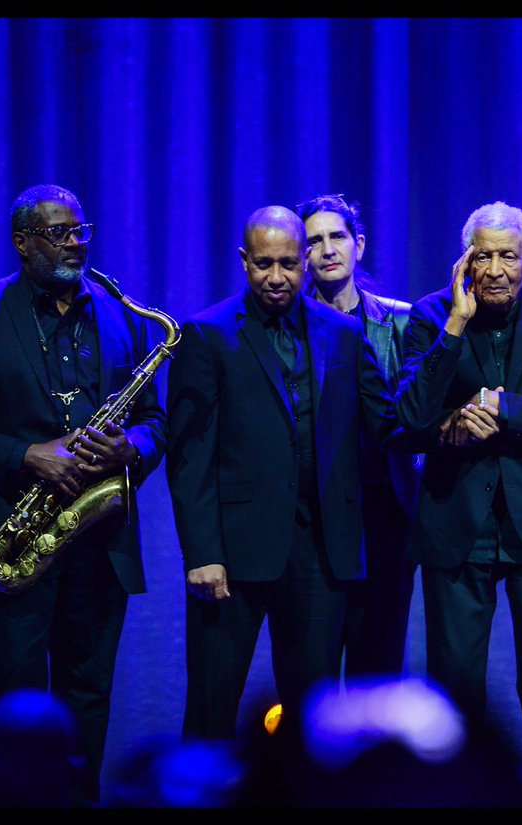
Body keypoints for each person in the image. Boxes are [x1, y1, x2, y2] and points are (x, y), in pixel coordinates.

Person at [0, 184, 166, 804]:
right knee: (14, 698)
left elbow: (156, 420)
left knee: (88, 696)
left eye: (81, 230)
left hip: (101, 537)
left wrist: (131, 449)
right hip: (20, 534)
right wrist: (28, 455)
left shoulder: (121, 312)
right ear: (22, 242)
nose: (75, 244)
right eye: (60, 233)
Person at [167, 205, 397, 740]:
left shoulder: (342, 333)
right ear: (244, 260)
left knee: (313, 720)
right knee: (211, 709)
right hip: (233, 556)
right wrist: (203, 554)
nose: (277, 278)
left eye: (289, 265)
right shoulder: (207, 334)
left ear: (307, 260)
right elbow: (189, 455)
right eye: (264, 264)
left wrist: (451, 338)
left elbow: (390, 422)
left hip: (320, 551)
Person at [394, 201, 522, 750]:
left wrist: (504, 407)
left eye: (507, 256)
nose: (494, 270)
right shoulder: (432, 315)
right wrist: (456, 324)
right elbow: (411, 419)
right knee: (455, 686)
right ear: (465, 261)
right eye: (482, 256)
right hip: (456, 520)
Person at [296, 194, 420, 676]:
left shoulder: (405, 321)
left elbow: (418, 413)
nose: (327, 250)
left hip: (387, 512)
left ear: (358, 244)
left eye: (337, 237)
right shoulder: (290, 328)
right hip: (316, 516)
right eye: (313, 242)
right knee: (312, 669)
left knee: (380, 664)